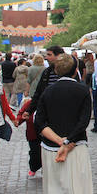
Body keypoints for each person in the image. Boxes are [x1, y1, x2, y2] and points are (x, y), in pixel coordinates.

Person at [34, 53, 94, 194]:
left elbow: (39, 122)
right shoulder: (82, 90)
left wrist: (58, 141)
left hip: (50, 149)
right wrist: (67, 143)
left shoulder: (48, 91)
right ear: (76, 70)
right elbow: (84, 121)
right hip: (75, 149)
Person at [19, 47, 64, 178]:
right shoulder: (47, 72)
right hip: (49, 114)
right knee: (48, 141)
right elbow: (39, 94)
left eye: (49, 55)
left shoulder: (68, 72)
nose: (47, 58)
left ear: (58, 56)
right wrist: (29, 110)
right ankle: (49, 167)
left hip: (62, 114)